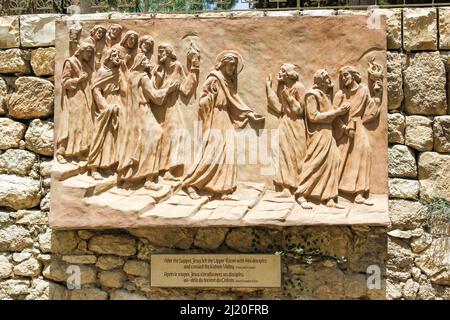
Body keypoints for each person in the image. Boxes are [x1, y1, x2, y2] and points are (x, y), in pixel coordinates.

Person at [183, 50, 264, 200]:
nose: (232, 69)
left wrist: (250, 114)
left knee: (228, 153)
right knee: (212, 152)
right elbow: (201, 103)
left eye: (234, 66)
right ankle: (191, 184)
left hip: (225, 118)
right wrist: (211, 96)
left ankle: (223, 190)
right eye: (231, 65)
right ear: (224, 64)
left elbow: (235, 101)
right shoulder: (214, 78)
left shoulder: (228, 82)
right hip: (215, 117)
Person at [116, 54, 178, 190]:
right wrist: (169, 89)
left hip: (134, 113)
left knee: (138, 143)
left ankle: (130, 178)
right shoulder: (143, 77)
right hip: (143, 111)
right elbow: (155, 96)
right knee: (155, 135)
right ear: (140, 63)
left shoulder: (132, 75)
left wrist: (154, 76)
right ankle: (149, 178)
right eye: (145, 60)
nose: (147, 62)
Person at [295, 69, 349, 209]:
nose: (328, 79)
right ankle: (301, 194)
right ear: (319, 81)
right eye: (325, 77)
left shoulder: (325, 95)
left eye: (328, 77)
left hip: (328, 133)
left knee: (334, 160)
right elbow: (313, 116)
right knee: (315, 162)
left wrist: (342, 126)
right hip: (318, 134)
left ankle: (329, 197)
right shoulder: (311, 95)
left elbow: (331, 116)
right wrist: (337, 112)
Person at [151, 43, 200, 181]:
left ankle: (169, 170)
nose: (159, 54)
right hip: (158, 108)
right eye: (158, 52)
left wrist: (194, 68)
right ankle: (157, 169)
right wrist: (159, 79)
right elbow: (152, 89)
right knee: (161, 137)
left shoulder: (177, 66)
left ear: (168, 52)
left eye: (161, 51)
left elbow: (186, 89)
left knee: (177, 135)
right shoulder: (158, 68)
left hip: (172, 108)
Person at [334, 66, 381, 205]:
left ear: (353, 75)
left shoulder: (364, 90)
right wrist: (344, 128)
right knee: (342, 158)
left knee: (363, 154)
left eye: (346, 75)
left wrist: (377, 95)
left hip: (358, 127)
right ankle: (336, 191)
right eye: (342, 76)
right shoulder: (340, 94)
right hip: (344, 128)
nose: (344, 78)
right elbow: (334, 115)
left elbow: (370, 109)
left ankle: (359, 194)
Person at [266, 63, 306, 197]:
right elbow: (279, 108)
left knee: (297, 155)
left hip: (296, 125)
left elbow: (300, 110)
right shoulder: (283, 88)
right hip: (285, 123)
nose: (279, 73)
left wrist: (289, 97)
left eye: (282, 70)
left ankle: (301, 187)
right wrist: (269, 88)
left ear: (289, 73)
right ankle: (286, 188)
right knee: (283, 154)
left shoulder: (298, 88)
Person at [87, 48, 127, 180]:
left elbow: (125, 90)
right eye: (114, 55)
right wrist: (105, 107)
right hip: (106, 104)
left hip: (117, 104)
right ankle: (94, 168)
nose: (117, 57)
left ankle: (108, 164)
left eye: (118, 55)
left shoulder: (118, 72)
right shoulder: (102, 72)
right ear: (108, 57)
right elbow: (96, 90)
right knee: (100, 134)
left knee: (113, 136)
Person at [56, 42, 95, 164]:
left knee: (82, 124)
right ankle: (61, 152)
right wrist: (78, 80)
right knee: (71, 123)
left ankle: (78, 152)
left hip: (82, 97)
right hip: (73, 97)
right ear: (82, 51)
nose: (89, 55)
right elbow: (64, 81)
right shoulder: (70, 62)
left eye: (91, 53)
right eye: (88, 52)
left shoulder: (84, 64)